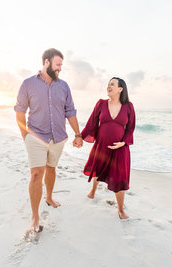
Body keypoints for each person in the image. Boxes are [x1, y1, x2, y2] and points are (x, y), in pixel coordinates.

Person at [14, 48, 83, 233]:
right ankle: (35, 217)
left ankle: (49, 197)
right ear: (46, 62)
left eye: (61, 65)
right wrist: (25, 135)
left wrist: (78, 134)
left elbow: (70, 111)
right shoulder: (28, 84)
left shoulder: (64, 86)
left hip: (58, 137)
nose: (60, 68)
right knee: (36, 173)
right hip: (36, 135)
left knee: (51, 168)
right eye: (57, 64)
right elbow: (20, 111)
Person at [81, 77, 135, 219]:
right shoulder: (101, 103)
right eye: (108, 84)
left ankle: (120, 209)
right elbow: (91, 123)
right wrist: (79, 137)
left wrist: (123, 142)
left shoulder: (128, 106)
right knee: (98, 170)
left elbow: (130, 129)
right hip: (102, 146)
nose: (108, 87)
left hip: (120, 149)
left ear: (120, 89)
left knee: (120, 179)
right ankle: (93, 190)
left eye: (112, 84)